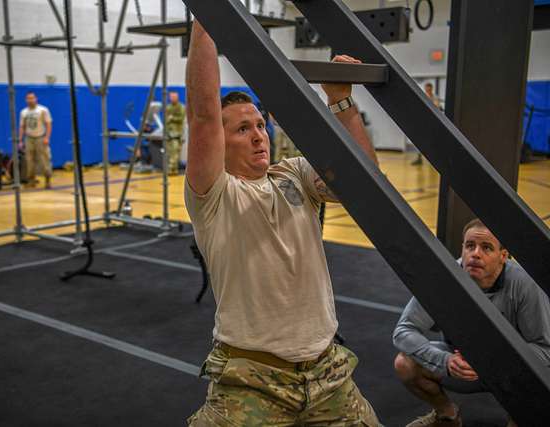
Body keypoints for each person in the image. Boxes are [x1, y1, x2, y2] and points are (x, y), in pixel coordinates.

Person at [184, 20, 380, 426]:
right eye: (242, 129)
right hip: (251, 378)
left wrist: (341, 103)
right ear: (220, 144)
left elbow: (364, 181)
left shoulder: (292, 174)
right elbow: (203, 116)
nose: (259, 135)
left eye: (260, 125)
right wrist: (205, 21)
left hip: (328, 371)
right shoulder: (215, 195)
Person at [393, 218, 550, 427]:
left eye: (486, 248)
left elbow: (545, 348)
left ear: (503, 256)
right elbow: (403, 331)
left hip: (511, 371)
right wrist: (445, 360)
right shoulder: (444, 279)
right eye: (470, 246)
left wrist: (497, 361)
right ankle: (447, 415)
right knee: (405, 364)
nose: (475, 253)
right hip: (462, 365)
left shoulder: (524, 285)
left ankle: (519, 417)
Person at [19, 92, 53, 188]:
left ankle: (48, 180)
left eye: (32, 98)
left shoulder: (43, 110)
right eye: (28, 98)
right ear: (26, 100)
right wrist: (20, 140)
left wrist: (47, 137)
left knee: (44, 160)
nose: (30, 100)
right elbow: (22, 126)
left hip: (40, 137)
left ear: (36, 99)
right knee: (29, 160)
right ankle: (31, 180)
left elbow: (48, 124)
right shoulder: (23, 112)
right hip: (29, 138)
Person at [412, 82, 440, 166]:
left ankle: (435, 159)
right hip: (423, 121)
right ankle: (419, 158)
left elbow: (437, 107)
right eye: (426, 89)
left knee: (433, 141)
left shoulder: (435, 98)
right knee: (419, 140)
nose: (428, 90)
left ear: (431, 89)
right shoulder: (423, 97)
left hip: (432, 122)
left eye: (429, 89)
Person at [165, 91, 186, 175]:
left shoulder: (181, 107)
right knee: (170, 152)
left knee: (175, 152)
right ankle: (172, 169)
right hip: (169, 133)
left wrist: (172, 118)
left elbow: (181, 118)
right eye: (171, 97)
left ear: (177, 97)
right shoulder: (168, 107)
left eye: (174, 97)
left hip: (177, 133)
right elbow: (166, 119)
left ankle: (173, 169)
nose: (172, 98)